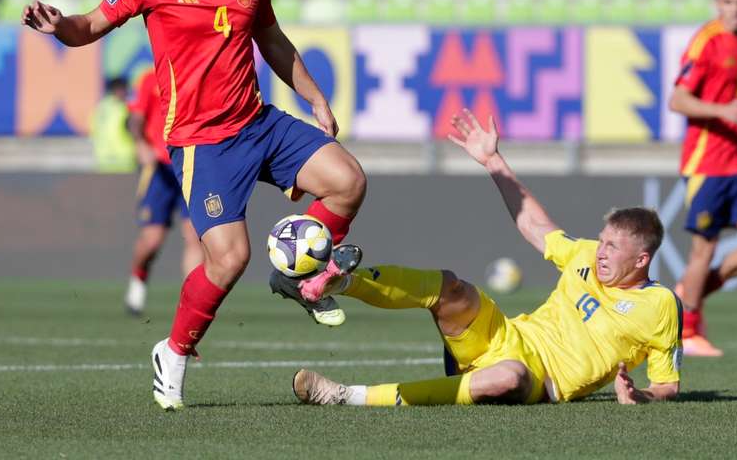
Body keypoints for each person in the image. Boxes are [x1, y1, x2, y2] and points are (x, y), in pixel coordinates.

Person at [21, 0, 367, 411]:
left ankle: (304, 277)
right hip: (203, 145)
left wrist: (316, 99)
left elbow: (272, 41)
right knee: (229, 260)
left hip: (259, 124)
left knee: (348, 181)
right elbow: (91, 24)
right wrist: (58, 26)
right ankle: (174, 352)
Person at [290, 109, 681, 407]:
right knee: (451, 286)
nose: (601, 251)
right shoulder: (584, 256)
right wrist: (493, 161)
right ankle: (337, 281)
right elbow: (536, 227)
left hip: (538, 378)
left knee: (508, 377)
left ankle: (344, 395)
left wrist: (641, 394)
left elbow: (668, 384)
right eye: (602, 240)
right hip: (507, 335)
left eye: (613, 247)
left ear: (642, 259)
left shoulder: (660, 306)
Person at [668, 0, 737, 357]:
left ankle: (686, 296)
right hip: (705, 162)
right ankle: (689, 329)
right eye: (728, 2)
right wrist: (722, 111)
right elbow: (677, 100)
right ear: (718, 3)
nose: (736, 9)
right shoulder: (705, 42)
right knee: (704, 251)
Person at [123, 66, 204, 315]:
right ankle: (138, 280)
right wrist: (140, 144)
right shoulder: (150, 77)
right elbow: (134, 119)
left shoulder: (198, 74)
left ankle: (191, 304)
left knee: (194, 237)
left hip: (191, 166)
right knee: (152, 240)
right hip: (160, 168)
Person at [89, 77, 136, 174]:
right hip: (124, 161)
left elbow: (92, 128)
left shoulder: (101, 106)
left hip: (105, 161)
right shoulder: (127, 107)